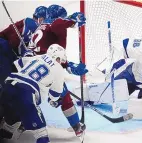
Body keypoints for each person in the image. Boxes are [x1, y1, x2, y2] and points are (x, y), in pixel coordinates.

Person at [28, 10, 87, 138]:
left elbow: (48, 53)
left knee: (29, 97)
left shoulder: (41, 28)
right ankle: (77, 127)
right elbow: (58, 24)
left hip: (33, 67)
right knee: (63, 95)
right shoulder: (54, 23)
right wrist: (73, 20)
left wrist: (68, 66)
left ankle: (19, 123)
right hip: (48, 68)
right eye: (63, 17)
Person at [0, 44, 67, 143]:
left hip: (8, 86)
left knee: (12, 120)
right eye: (60, 60)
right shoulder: (59, 69)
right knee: (41, 134)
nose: (60, 62)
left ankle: (6, 132)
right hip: (26, 93)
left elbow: (18, 63)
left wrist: (27, 56)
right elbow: (54, 96)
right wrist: (56, 101)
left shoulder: (38, 57)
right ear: (57, 57)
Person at [0, 6, 47, 92]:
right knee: (4, 77)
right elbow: (16, 41)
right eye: (45, 20)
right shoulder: (32, 23)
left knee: (10, 76)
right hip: (4, 48)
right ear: (41, 19)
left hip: (7, 51)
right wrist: (24, 53)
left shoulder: (31, 24)